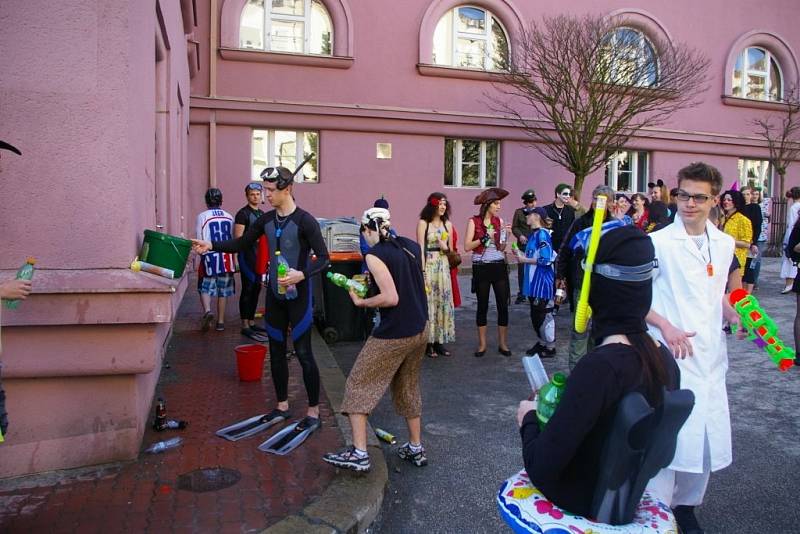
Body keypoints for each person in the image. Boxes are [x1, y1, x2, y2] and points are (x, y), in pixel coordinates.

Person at [517, 225, 679, 518]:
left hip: (582, 501)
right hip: (625, 500)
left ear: (596, 291)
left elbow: (542, 467)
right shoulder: (664, 360)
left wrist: (528, 417)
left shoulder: (601, 368)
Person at [645, 162, 744, 534]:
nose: (688, 203)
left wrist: (732, 314)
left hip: (709, 355)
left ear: (714, 200)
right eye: (682, 195)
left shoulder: (722, 243)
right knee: (670, 435)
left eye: (698, 197)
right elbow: (635, 298)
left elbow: (715, 291)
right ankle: (658, 512)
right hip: (670, 353)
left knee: (704, 437)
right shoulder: (657, 242)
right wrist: (666, 326)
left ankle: (686, 505)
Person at [192, 166, 330, 431]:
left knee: (303, 354)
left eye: (270, 190)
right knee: (276, 353)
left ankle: (313, 411)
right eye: (263, 189)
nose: (265, 195)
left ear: (287, 189)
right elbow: (241, 244)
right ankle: (282, 406)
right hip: (275, 297)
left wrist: (302, 274)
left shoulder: (305, 221)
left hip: (299, 297)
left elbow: (324, 258)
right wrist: (212, 246)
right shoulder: (265, 220)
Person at [322, 207, 429, 472]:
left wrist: (362, 301)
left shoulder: (374, 255)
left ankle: (359, 453)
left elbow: (391, 297)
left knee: (358, 383)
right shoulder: (410, 246)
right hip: (420, 328)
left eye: (365, 234)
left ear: (369, 230)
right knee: (408, 385)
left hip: (395, 332)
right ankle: (416, 448)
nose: (365, 240)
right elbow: (409, 281)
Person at [555, 184, 617, 370]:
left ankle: (593, 373)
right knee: (579, 331)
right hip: (582, 285)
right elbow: (565, 250)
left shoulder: (615, 225)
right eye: (595, 199)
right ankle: (576, 375)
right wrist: (561, 276)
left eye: (603, 200)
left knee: (598, 334)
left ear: (611, 203)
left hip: (604, 288)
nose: (598, 203)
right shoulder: (581, 223)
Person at [465, 187, 512, 357]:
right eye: (496, 204)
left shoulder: (499, 221)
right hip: (481, 266)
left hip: (498, 265)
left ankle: (503, 344)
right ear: (487, 205)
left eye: (499, 204)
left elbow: (501, 247)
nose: (499, 207)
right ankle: (482, 345)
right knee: (482, 305)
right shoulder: (474, 221)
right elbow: (467, 246)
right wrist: (485, 238)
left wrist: (505, 236)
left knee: (502, 305)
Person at [416, 192, 455, 358]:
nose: (442, 206)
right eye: (439, 203)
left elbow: (451, 251)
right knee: (429, 302)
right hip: (430, 265)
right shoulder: (423, 223)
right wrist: (423, 270)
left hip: (443, 265)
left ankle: (440, 341)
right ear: (432, 205)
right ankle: (428, 342)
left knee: (443, 301)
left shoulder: (448, 224)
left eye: (444, 204)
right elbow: (420, 248)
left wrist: (444, 246)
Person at [515, 207, 557, 358]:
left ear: (536, 216)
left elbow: (546, 260)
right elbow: (533, 256)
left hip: (542, 284)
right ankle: (542, 342)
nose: (526, 217)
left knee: (544, 314)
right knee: (536, 315)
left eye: (529, 215)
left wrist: (524, 259)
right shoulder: (534, 235)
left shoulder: (543, 235)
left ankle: (550, 347)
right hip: (533, 285)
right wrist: (520, 254)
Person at [196, 188, 237, 332]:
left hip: (209, 257)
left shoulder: (202, 216)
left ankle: (207, 311)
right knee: (223, 290)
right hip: (226, 257)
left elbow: (200, 238)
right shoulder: (229, 216)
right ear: (221, 200)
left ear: (207, 201)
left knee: (205, 287)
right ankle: (220, 322)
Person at [235, 182, 268, 342]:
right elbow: (238, 239)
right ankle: (244, 324)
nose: (255, 196)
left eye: (257, 194)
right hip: (247, 256)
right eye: (252, 194)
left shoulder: (262, 213)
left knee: (256, 288)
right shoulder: (242, 214)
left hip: (259, 257)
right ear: (247, 196)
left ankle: (252, 321)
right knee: (248, 288)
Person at [544, 184, 580, 311]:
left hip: (567, 249)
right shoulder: (547, 210)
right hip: (552, 248)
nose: (567, 197)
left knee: (569, 276)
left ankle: (572, 306)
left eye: (569, 194)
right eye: (565, 194)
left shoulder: (570, 211)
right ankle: (554, 305)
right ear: (558, 194)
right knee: (555, 277)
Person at [718, 189, 753, 279]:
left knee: (735, 291)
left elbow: (747, 244)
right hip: (721, 259)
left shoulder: (743, 220)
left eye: (729, 200)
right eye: (724, 200)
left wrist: (729, 240)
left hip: (736, 261)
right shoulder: (722, 218)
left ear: (736, 202)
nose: (726, 202)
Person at [512, 189, 538, 304]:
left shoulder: (538, 212)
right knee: (522, 270)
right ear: (525, 203)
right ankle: (522, 293)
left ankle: (534, 293)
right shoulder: (519, 212)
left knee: (535, 269)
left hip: (534, 246)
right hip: (523, 245)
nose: (532, 204)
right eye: (529, 202)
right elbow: (514, 227)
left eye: (533, 201)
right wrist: (520, 236)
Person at [739, 186, 762, 293]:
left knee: (750, 268)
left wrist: (754, 242)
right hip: (739, 243)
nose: (745, 197)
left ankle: (748, 293)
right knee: (741, 269)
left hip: (751, 242)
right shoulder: (738, 207)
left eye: (748, 194)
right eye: (743, 194)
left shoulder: (755, 207)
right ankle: (742, 292)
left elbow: (757, 226)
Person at [780, 187, 800, 293]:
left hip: (794, 235)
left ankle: (789, 282)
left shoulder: (794, 207)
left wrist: (788, 239)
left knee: (789, 260)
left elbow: (792, 225)